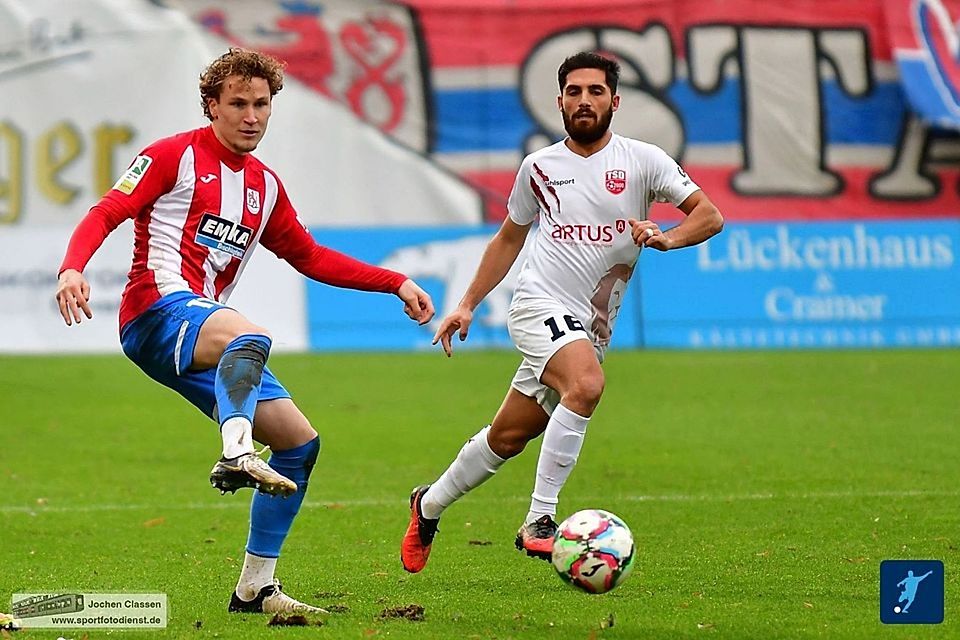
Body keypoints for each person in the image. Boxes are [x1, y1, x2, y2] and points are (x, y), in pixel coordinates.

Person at [55, 47, 435, 613]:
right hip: (155, 311)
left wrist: (394, 281)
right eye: (237, 103)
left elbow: (310, 256)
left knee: (298, 443)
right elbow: (106, 211)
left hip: (202, 327)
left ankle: (256, 586)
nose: (251, 115)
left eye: (261, 104)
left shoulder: (265, 187)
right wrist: (72, 266)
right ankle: (235, 451)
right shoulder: (172, 155)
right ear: (212, 105)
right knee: (248, 336)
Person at [401, 51, 723, 573]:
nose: (584, 101)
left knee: (507, 437)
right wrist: (466, 304)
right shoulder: (540, 168)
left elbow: (709, 216)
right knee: (588, 385)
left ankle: (428, 504)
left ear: (615, 101)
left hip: (590, 327)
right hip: (537, 306)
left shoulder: (645, 161)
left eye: (595, 91)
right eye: (574, 92)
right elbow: (509, 238)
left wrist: (667, 238)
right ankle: (540, 520)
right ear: (559, 102)